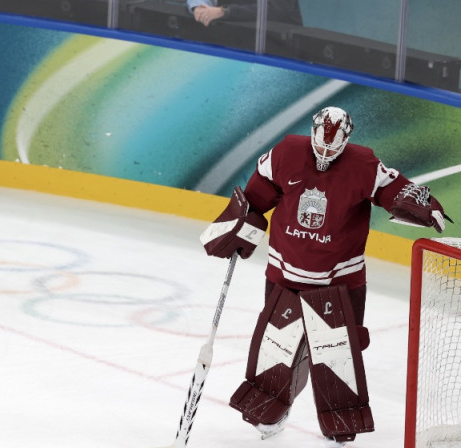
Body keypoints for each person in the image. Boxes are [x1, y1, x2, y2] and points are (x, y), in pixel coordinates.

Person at [199, 106, 450, 446]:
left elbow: (393, 189)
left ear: (347, 140)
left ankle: (340, 422)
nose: (325, 153)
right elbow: (256, 199)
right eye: (321, 144)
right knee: (277, 348)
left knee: (338, 353)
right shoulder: (286, 152)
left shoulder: (364, 165)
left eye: (334, 147)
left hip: (340, 279)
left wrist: (421, 201)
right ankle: (271, 410)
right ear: (312, 132)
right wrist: (238, 227)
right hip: (284, 270)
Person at [187, 0, 302, 27]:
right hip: (231, 38)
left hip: (277, 45)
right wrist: (198, 7)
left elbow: (275, 9)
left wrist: (224, 11)